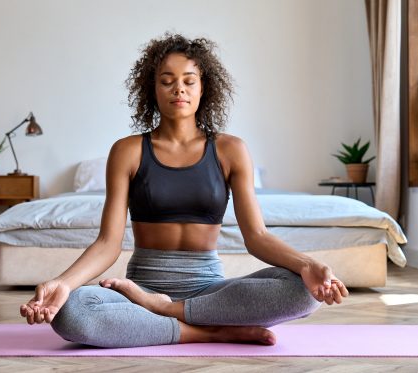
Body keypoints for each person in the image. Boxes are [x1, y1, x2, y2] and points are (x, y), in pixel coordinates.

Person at [20, 33, 349, 348]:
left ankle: (169, 314)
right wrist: (62, 284)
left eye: (189, 80)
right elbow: (108, 243)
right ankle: (210, 333)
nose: (179, 88)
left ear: (204, 87)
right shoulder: (128, 150)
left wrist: (307, 266)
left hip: (209, 291)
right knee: (72, 312)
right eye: (167, 80)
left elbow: (258, 237)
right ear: (153, 88)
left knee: (303, 291)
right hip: (141, 288)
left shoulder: (230, 149)